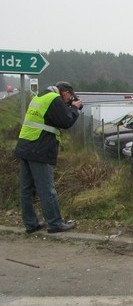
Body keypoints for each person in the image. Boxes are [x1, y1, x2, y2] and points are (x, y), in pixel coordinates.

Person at [14, 81, 83, 234]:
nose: (69, 100)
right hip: (40, 149)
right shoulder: (54, 98)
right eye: (69, 97)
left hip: (25, 146)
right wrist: (74, 108)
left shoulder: (39, 97)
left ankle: (31, 224)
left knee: (26, 189)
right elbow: (65, 122)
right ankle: (55, 223)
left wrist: (70, 107)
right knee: (46, 189)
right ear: (64, 93)